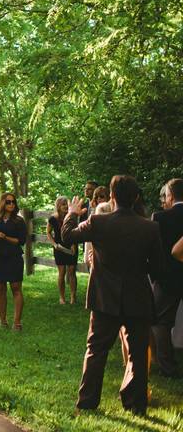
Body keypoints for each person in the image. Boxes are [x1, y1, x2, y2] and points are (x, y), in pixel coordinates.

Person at [61, 175, 165, 416]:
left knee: (96, 350)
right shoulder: (149, 227)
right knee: (138, 353)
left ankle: (87, 402)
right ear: (136, 197)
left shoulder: (98, 222)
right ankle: (136, 404)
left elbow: (67, 236)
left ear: (112, 196)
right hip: (137, 297)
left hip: (104, 298)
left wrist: (73, 213)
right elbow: (158, 268)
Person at [150, 177, 183, 378]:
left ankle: (167, 366)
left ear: (170, 195)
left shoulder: (160, 218)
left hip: (167, 278)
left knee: (161, 322)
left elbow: (154, 251)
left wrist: (154, 276)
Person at [0, 193, 27, 330]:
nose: (11, 204)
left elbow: (21, 241)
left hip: (14, 256)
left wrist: (5, 237)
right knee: (0, 289)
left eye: (13, 202)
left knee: (16, 288)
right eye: (8, 202)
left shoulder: (19, 221)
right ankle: (2, 321)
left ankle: (17, 322)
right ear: (2, 202)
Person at [48, 196, 78, 305]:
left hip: (71, 246)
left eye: (67, 204)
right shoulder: (53, 219)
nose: (65, 206)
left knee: (72, 270)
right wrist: (54, 244)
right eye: (63, 204)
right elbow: (48, 233)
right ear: (58, 206)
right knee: (62, 272)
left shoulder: (72, 217)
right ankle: (62, 297)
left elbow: (76, 231)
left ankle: (73, 296)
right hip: (59, 248)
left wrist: (74, 244)